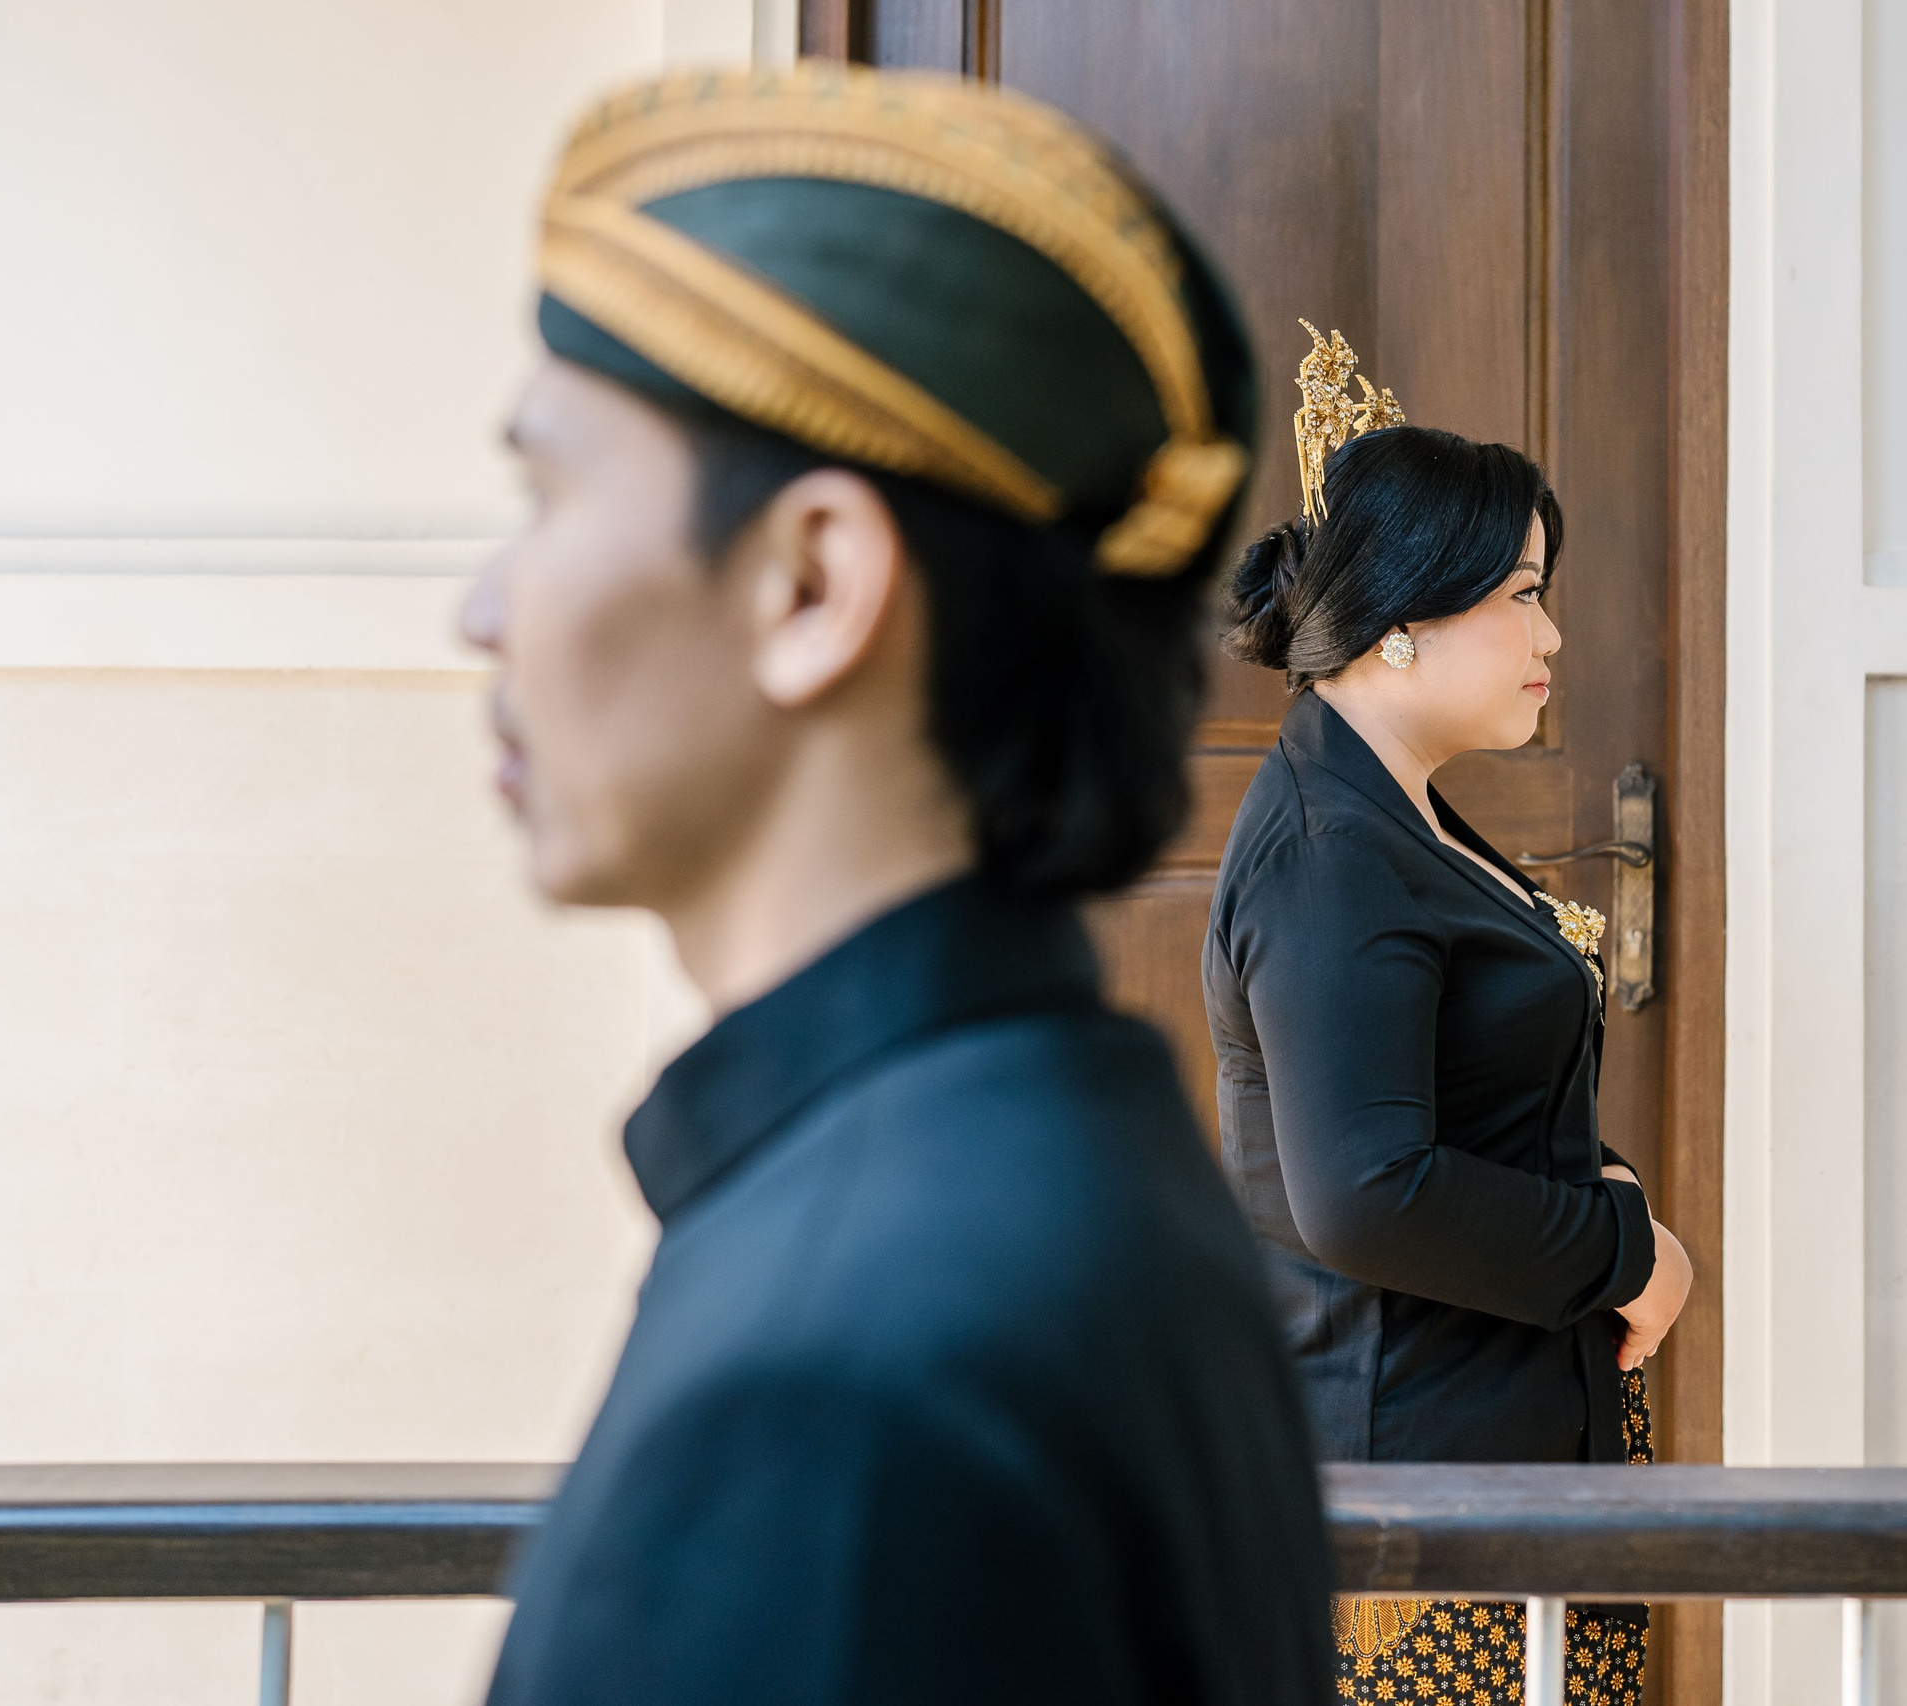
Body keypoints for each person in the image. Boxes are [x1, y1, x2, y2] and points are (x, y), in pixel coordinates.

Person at [464, 63, 1333, 1704]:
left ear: (813, 580)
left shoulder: (838, 1378)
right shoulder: (1056, 1163)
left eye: (548, 495)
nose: (484, 610)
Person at [1204, 327, 1695, 1703]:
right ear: (1406, 616)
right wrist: (1624, 1250)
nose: (1551, 637)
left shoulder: (1391, 809)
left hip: (1492, 1462)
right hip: (1422, 1509)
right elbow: (1364, 1192)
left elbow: (1464, 1092)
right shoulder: (1329, 852)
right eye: (1525, 596)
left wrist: (1598, 1191)